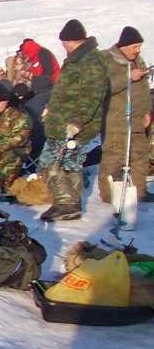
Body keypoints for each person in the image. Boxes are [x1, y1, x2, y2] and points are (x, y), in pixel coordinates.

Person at [37, 19, 108, 222]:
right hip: (62, 119)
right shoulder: (79, 58)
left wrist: (76, 120)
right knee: (70, 163)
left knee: (51, 161)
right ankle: (71, 204)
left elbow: (91, 94)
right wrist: (51, 108)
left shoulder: (90, 61)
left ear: (69, 41)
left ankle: (65, 203)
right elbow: (66, 91)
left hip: (71, 124)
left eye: (63, 43)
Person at [99, 26, 150, 204]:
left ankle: (140, 192)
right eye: (135, 46)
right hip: (116, 122)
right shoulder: (107, 60)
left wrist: (147, 111)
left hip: (137, 121)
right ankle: (108, 194)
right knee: (113, 160)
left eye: (140, 47)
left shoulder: (138, 61)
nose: (138, 50)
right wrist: (128, 76)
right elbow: (103, 88)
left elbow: (143, 90)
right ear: (124, 46)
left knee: (140, 158)